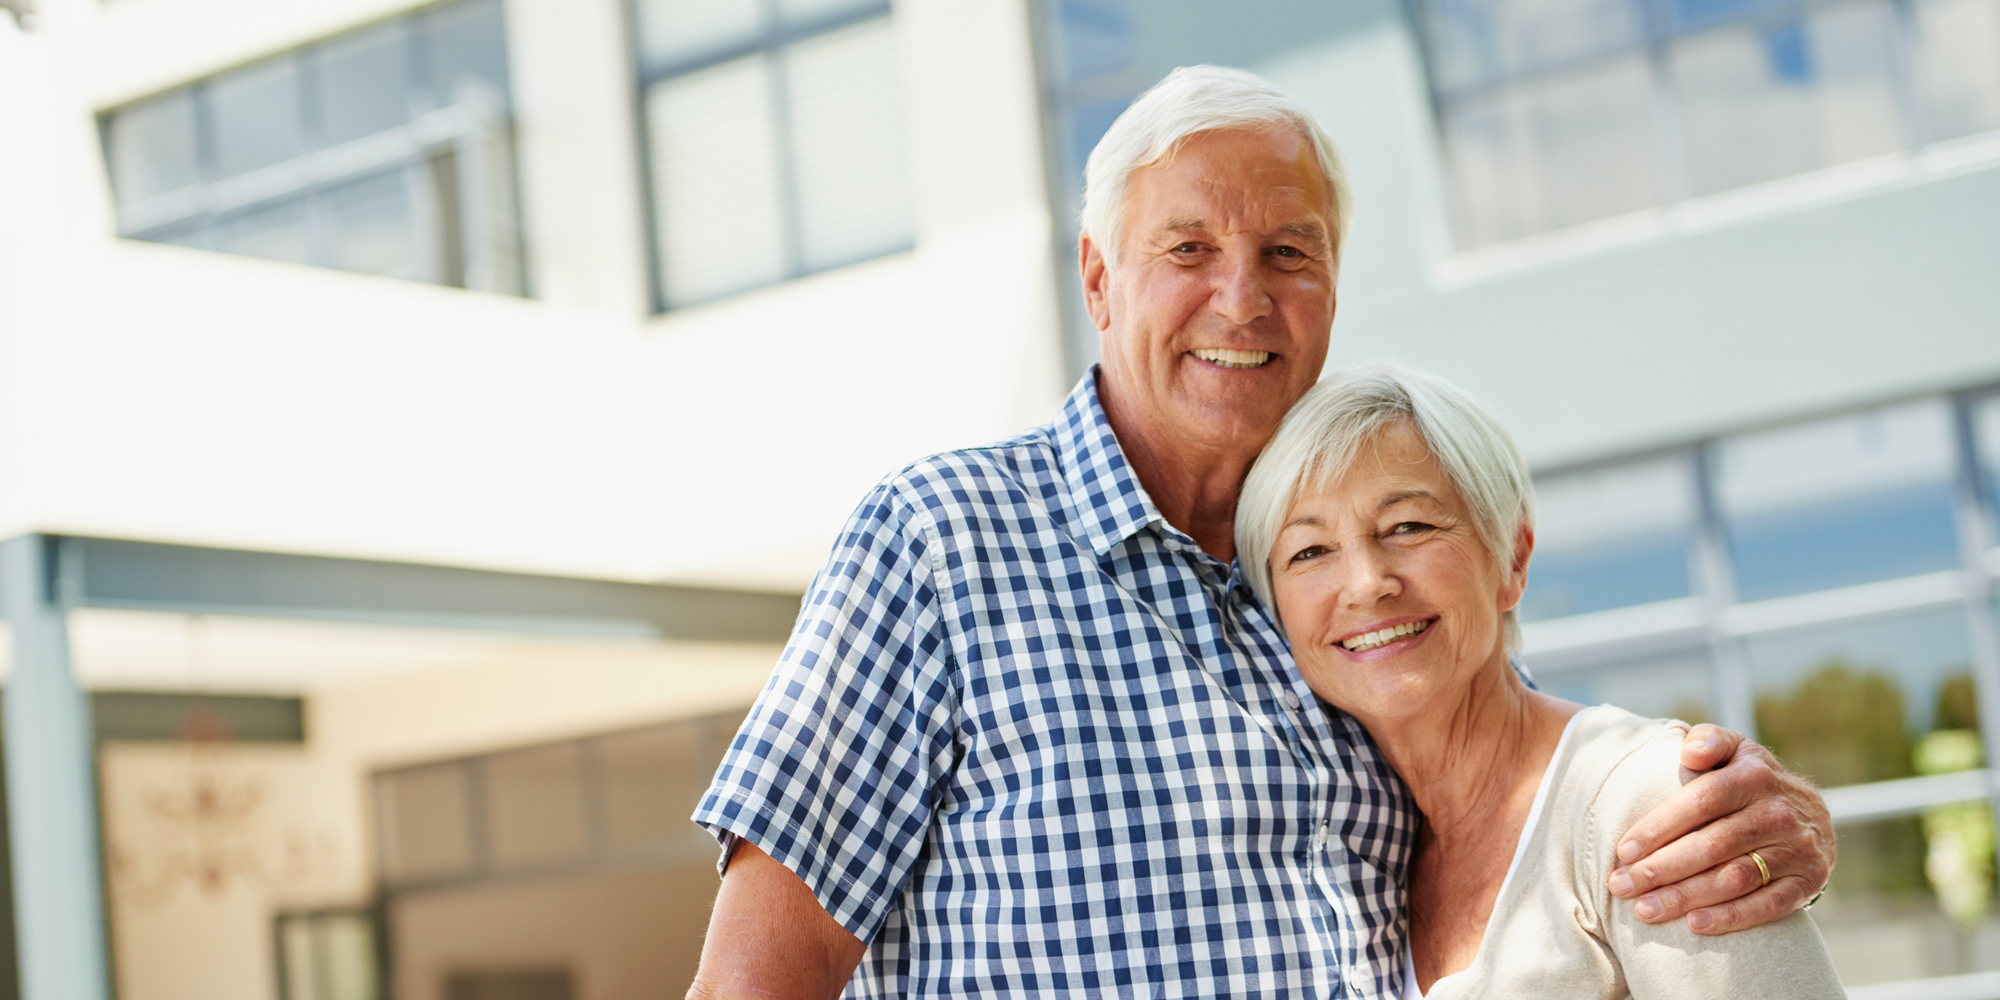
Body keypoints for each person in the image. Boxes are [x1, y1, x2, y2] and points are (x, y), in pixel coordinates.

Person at [686, 65, 1835, 1000]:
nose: (1240, 299)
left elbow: (1537, 807)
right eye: (1186, 250)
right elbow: (754, 982)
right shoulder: (937, 542)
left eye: (1286, 252)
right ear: (1097, 280)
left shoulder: (1350, 597)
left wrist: (1738, 811)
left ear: (1331, 284)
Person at [1234, 361, 1845, 999]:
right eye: (1309, 551)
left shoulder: (1644, 798)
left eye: (1407, 526)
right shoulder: (1370, 859)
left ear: (1513, 558)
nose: (1365, 583)